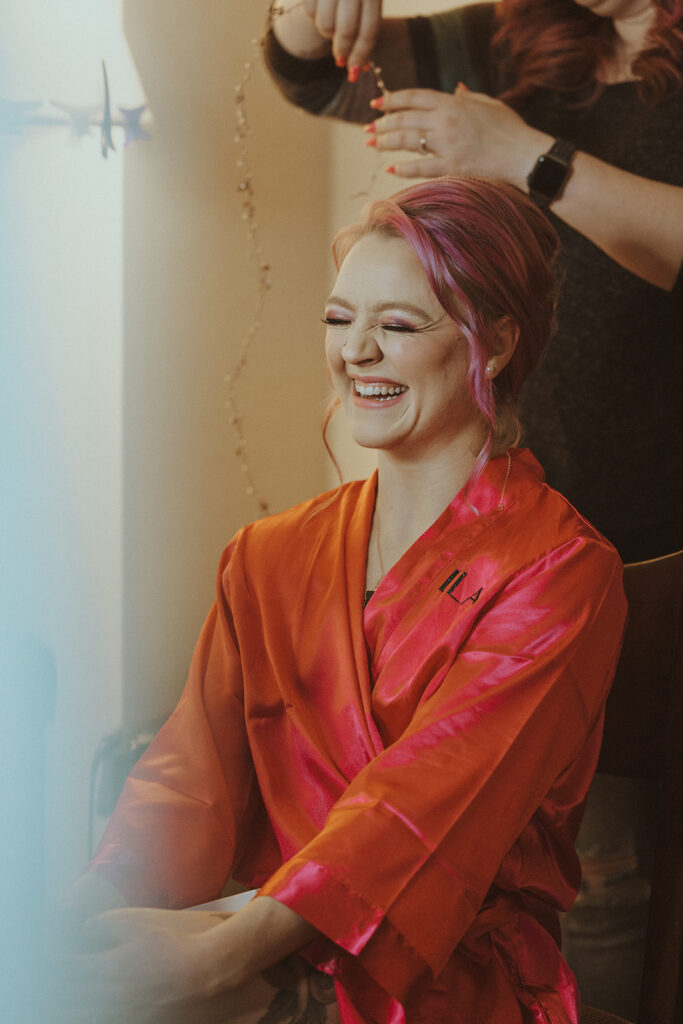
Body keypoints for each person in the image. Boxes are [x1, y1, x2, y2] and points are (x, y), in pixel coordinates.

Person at [61, 178, 626, 1024]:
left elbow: (420, 809)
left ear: (496, 343)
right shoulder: (266, 556)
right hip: (256, 945)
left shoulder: (560, 571)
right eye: (338, 319)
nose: (355, 351)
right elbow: (189, 786)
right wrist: (78, 915)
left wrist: (215, 962)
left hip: (447, 981)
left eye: (396, 326)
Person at [265, 0, 683, 563]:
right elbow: (316, 78)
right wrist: (308, 12)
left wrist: (531, 158)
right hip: (529, 514)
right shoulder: (518, 35)